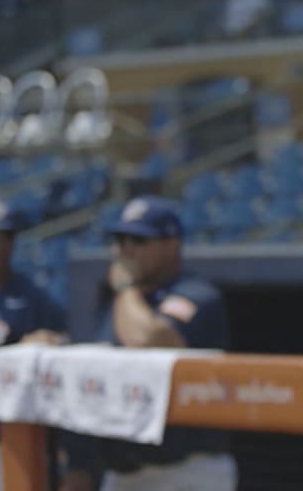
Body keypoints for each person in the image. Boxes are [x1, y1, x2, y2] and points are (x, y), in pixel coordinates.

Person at [59, 195, 233, 491]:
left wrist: (126, 287)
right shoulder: (115, 306)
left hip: (187, 470)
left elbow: (149, 340)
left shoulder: (195, 294)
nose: (125, 250)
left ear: (172, 244)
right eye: (120, 240)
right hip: (125, 470)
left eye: (138, 241)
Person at [0, 197, 67, 490]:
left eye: (4, 238)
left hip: (6, 440)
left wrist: (40, 343)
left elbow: (61, 341)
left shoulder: (30, 294)